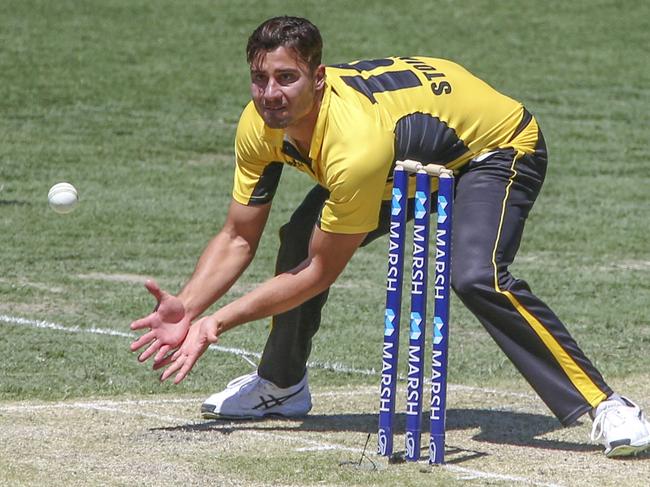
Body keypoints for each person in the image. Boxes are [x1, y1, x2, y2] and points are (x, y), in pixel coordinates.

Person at [130, 16, 650, 458]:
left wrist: (217, 322)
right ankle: (281, 385)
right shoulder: (258, 125)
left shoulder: (353, 146)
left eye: (286, 78)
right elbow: (239, 236)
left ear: (318, 77)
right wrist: (190, 306)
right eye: (259, 79)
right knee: (296, 238)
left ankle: (607, 405)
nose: (271, 94)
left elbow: (319, 272)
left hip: (492, 148)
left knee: (476, 275)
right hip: (403, 149)